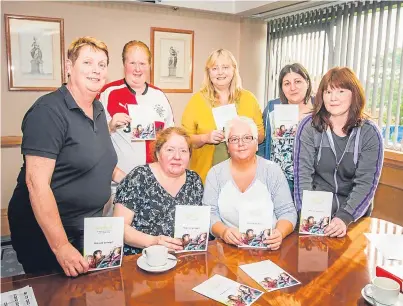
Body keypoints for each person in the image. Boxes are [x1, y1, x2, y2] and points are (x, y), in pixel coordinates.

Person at [8, 37, 124, 277]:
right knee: (55, 295)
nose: (96, 70)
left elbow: (101, 161)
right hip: (46, 232)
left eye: (102, 64)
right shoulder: (48, 111)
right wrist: (60, 246)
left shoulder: (99, 110)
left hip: (86, 225)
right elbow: (36, 183)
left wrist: (135, 179)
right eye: (88, 62)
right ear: (69, 67)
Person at [294, 67, 384, 238]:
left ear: (354, 94)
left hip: (352, 218)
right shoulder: (308, 127)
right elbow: (302, 176)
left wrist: (344, 218)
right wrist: (306, 215)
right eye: (328, 91)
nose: (333, 98)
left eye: (341, 91)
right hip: (315, 215)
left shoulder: (370, 133)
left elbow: (366, 183)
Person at [203, 116, 297, 250]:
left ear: (256, 144)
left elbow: (287, 212)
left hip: (269, 247)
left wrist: (279, 233)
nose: (241, 143)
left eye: (247, 138)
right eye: (234, 139)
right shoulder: (215, 174)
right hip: (228, 249)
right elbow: (210, 214)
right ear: (227, 146)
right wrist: (224, 232)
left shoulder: (272, 170)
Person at [98, 40, 174, 205]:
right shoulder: (108, 93)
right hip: (117, 184)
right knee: (118, 230)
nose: (137, 69)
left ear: (149, 65)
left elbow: (171, 138)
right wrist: (110, 126)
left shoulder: (159, 96)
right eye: (132, 62)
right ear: (124, 64)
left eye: (142, 63)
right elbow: (92, 137)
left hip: (154, 185)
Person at [113, 127, 204, 255]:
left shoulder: (194, 181)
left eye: (183, 151)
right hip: (141, 259)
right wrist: (154, 241)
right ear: (157, 154)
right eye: (170, 150)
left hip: (183, 258)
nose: (177, 156)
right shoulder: (139, 177)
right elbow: (119, 228)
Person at [182, 49, 264, 183]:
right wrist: (205, 138)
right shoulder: (197, 101)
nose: (220, 72)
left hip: (244, 175)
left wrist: (245, 137)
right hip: (207, 175)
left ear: (234, 70)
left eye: (225, 67)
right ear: (208, 73)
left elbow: (261, 135)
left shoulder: (249, 99)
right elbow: (185, 139)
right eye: (215, 68)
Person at [258, 63, 313, 191]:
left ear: (307, 83)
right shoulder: (273, 107)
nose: (292, 87)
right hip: (278, 179)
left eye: (298, 81)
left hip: (311, 179)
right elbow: (263, 143)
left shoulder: (320, 108)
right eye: (287, 83)